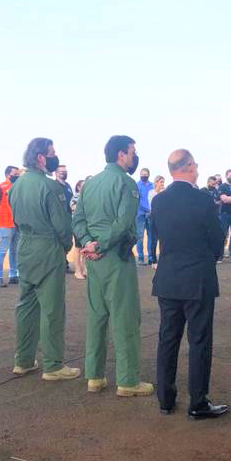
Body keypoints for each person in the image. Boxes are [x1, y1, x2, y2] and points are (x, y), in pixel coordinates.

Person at [72, 135, 154, 397]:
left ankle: (94, 376)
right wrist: (99, 245)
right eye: (132, 152)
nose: (134, 157)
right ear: (121, 155)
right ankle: (128, 380)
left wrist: (87, 243)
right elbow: (123, 224)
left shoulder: (91, 183)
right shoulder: (125, 183)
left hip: (95, 261)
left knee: (97, 316)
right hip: (116, 258)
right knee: (125, 318)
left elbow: (78, 219)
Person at [150, 149, 229, 420]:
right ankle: (198, 402)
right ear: (188, 166)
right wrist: (212, 257)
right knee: (199, 340)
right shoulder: (203, 199)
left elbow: (158, 234)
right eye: (195, 165)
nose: (197, 169)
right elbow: (217, 238)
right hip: (197, 278)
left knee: (167, 339)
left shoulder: (159, 201)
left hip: (169, 277)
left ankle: (165, 399)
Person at [8, 138, 80, 381]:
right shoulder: (51, 187)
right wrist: (65, 246)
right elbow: (62, 226)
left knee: (26, 306)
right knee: (52, 309)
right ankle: (53, 364)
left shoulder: (16, 185)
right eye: (52, 153)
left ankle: (24, 360)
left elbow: (15, 220)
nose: (54, 157)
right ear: (41, 157)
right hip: (47, 248)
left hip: (25, 246)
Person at [0, 166, 20, 287]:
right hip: (4, 224)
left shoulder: (19, 187)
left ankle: (13, 275)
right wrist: (2, 216)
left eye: (18, 174)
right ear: (8, 175)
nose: (17, 176)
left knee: (15, 251)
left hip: (17, 224)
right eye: (15, 174)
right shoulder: (0, 187)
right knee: (3, 251)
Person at [135, 167, 155, 265]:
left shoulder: (152, 185)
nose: (143, 175)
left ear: (148, 175)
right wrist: (146, 210)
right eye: (142, 174)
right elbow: (136, 200)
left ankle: (151, 257)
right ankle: (141, 258)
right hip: (140, 214)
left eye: (145, 174)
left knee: (151, 236)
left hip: (151, 214)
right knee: (140, 236)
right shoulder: (136, 185)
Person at [70, 179, 87, 279]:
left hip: (86, 224)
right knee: (78, 248)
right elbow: (75, 210)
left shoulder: (87, 196)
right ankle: (77, 271)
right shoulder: (75, 198)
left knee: (85, 247)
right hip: (78, 225)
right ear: (78, 187)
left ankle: (85, 269)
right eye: (83, 186)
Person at [148, 176, 165, 265]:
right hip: (154, 217)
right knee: (153, 240)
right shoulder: (151, 193)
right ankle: (153, 260)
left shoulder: (165, 193)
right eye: (161, 182)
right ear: (156, 183)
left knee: (163, 239)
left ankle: (162, 259)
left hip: (163, 218)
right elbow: (152, 205)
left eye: (163, 182)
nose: (162, 184)